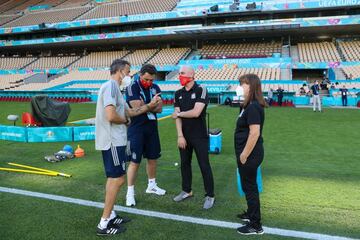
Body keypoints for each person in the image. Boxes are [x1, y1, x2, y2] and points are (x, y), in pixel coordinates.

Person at [95, 59, 161, 235]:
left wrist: (149, 106)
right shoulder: (110, 86)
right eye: (128, 71)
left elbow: (130, 111)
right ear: (120, 71)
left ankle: (111, 215)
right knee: (117, 179)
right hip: (112, 141)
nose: (130, 75)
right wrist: (125, 120)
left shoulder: (117, 89)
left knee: (116, 178)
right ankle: (103, 224)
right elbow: (111, 115)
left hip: (116, 140)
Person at [172, 65, 215, 209]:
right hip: (184, 136)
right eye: (179, 73)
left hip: (200, 136)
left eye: (182, 73)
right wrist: (180, 135)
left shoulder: (201, 89)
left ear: (192, 74)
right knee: (184, 164)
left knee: (204, 165)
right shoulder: (178, 93)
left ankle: (210, 195)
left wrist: (178, 114)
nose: (180, 76)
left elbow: (196, 112)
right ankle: (186, 190)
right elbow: (177, 117)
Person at [125, 64, 166, 207]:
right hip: (136, 129)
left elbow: (160, 109)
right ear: (140, 75)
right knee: (135, 162)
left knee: (153, 158)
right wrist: (151, 105)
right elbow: (136, 108)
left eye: (151, 80)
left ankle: (152, 185)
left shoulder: (156, 88)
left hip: (152, 128)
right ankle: (130, 193)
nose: (149, 82)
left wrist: (146, 105)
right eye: (146, 79)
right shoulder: (132, 87)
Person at [234, 74, 265, 235]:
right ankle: (251, 214)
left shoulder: (253, 106)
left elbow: (254, 133)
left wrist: (244, 154)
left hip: (250, 154)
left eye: (243, 84)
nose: (240, 87)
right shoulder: (246, 105)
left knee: (250, 187)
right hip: (246, 153)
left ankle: (255, 225)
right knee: (248, 185)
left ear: (251, 86)